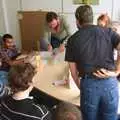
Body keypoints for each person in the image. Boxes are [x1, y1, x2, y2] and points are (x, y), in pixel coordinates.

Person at [65, 5, 120, 120]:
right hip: (110, 84)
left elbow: (73, 72)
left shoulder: (72, 39)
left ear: (77, 21)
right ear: (92, 18)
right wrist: (116, 71)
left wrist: (81, 87)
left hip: (89, 84)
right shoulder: (108, 32)